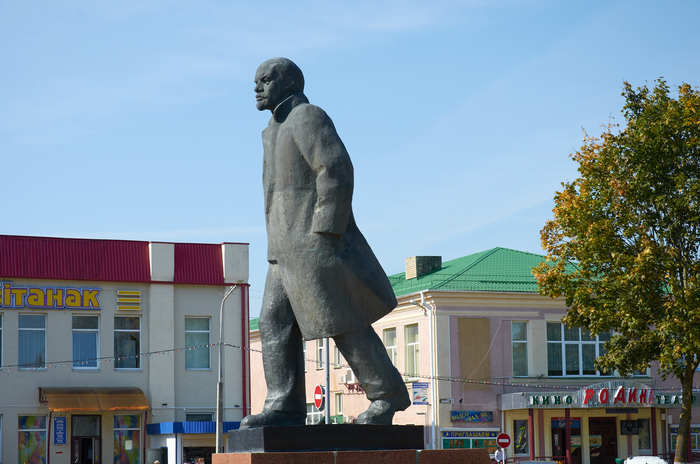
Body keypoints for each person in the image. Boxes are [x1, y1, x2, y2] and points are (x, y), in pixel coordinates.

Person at [240, 57, 409, 428]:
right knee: (273, 322)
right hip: (283, 248)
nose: (257, 87)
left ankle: (386, 394)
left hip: (312, 240)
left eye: (265, 80)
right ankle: (284, 405)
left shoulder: (307, 117)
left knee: (340, 319)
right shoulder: (272, 130)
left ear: (290, 83)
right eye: (256, 81)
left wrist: (326, 230)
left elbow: (335, 169)